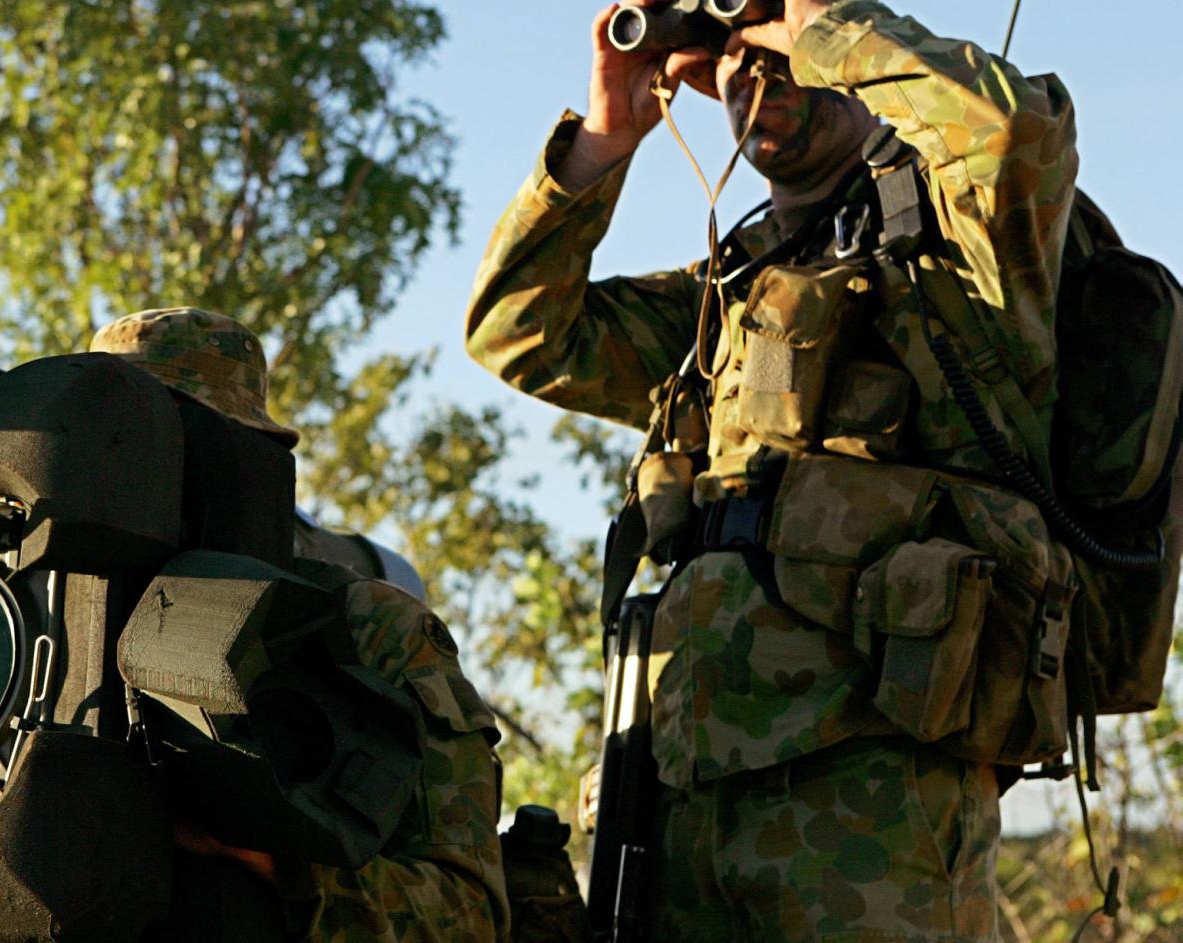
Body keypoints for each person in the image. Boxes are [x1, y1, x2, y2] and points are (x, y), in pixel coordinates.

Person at [466, 2, 1078, 940]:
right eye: (735, 58)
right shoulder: (733, 289)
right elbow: (522, 333)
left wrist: (820, 28)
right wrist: (605, 136)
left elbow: (1014, 133)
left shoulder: (968, 252)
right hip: (683, 786)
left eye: (779, 48)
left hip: (872, 787)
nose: (762, 74)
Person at [91, 307, 511, 942]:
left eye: (169, 449)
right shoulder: (18, 617)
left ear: (247, 469)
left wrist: (277, 864)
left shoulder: (369, 630)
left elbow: (466, 919)